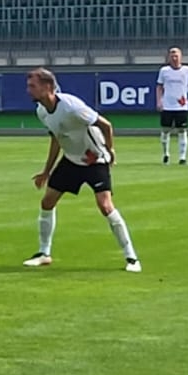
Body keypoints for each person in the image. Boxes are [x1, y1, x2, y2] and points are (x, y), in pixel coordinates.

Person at [22, 67, 140, 273]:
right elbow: (57, 139)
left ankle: (132, 258)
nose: (28, 90)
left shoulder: (72, 107)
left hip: (94, 160)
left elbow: (106, 125)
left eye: (32, 86)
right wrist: (46, 171)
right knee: (47, 202)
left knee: (105, 206)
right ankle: (44, 253)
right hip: (71, 160)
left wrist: (110, 150)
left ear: (47, 87)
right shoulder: (41, 111)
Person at [155, 46, 188, 166]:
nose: (174, 58)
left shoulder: (187, 70)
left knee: (182, 131)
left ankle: (182, 157)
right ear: (169, 57)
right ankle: (166, 154)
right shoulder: (164, 71)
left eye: (176, 56)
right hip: (167, 105)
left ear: (180, 57)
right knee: (165, 130)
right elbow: (159, 86)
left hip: (181, 106)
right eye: (172, 56)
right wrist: (159, 101)